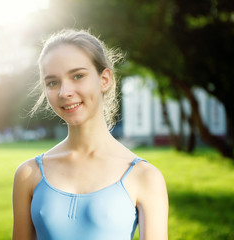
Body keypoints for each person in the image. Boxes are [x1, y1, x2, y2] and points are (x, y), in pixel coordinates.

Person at [12, 29, 168, 240]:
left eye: (78, 76)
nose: (64, 92)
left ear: (104, 79)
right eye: (52, 82)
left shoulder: (145, 177)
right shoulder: (29, 174)